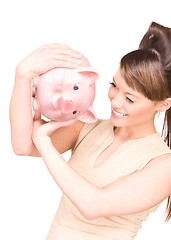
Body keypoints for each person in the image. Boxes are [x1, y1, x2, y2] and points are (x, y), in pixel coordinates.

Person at [10, 22, 171, 240]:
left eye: (130, 99)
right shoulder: (87, 127)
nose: (115, 102)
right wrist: (23, 74)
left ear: (163, 104)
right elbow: (22, 146)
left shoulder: (163, 164)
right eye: (114, 85)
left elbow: (92, 205)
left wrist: (45, 143)